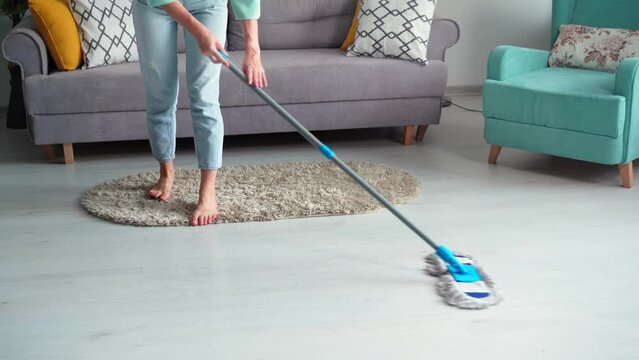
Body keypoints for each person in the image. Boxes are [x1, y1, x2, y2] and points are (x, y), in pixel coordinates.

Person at [132, 0, 267, 226]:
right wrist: (199, 32)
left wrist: (253, 49)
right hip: (154, 6)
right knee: (160, 94)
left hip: (207, 4)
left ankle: (208, 191)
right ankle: (166, 171)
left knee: (205, 97)